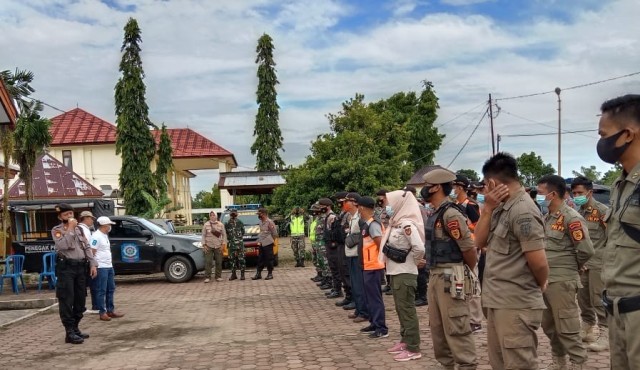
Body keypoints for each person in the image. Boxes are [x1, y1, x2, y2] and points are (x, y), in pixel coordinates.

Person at [474, 153, 549, 370]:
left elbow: (539, 262)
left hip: (516, 304)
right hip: (498, 300)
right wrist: (487, 208)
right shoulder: (499, 207)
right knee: (500, 363)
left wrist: (541, 282)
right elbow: (478, 241)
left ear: (492, 183)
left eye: (485, 185)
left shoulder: (522, 210)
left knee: (519, 365)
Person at [597, 94, 640, 370]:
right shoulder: (620, 185)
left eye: (604, 134)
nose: (601, 142)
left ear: (627, 135)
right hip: (617, 310)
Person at [420, 168, 477, 369]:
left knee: (456, 326)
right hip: (435, 275)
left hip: (451, 276)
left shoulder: (451, 214)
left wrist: (466, 272)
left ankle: (466, 365)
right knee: (438, 328)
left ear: (436, 187)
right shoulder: (435, 213)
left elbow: (468, 249)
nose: (424, 190)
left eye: (427, 186)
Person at [536, 175, 594, 370]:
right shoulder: (547, 217)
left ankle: (579, 363)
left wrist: (573, 265)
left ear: (552, 194)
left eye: (541, 193)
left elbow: (586, 249)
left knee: (567, 328)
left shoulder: (571, 217)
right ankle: (558, 362)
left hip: (563, 281)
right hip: (546, 281)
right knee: (550, 326)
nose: (538, 196)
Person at [380, 190, 425, 362]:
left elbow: (419, 248)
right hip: (396, 272)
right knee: (400, 309)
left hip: (405, 273)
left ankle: (413, 347)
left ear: (399, 204)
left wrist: (416, 261)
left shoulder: (407, 224)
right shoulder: (395, 222)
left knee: (407, 310)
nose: (387, 206)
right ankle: (405, 340)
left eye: (390, 203)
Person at [571, 176, 609, 352]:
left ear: (590, 192)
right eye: (574, 193)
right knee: (583, 298)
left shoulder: (602, 211)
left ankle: (606, 334)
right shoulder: (577, 212)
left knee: (598, 299)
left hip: (598, 263)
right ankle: (587, 329)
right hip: (582, 263)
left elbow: (612, 236)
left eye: (580, 192)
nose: (577, 195)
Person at [51, 203, 98, 345]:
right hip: (66, 269)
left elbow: (87, 247)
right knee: (66, 300)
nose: (69, 216)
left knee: (80, 300)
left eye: (71, 214)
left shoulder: (80, 230)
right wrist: (70, 229)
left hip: (80, 268)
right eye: (66, 215)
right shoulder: (57, 230)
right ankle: (69, 332)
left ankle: (75, 327)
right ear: (60, 217)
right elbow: (63, 246)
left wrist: (92, 263)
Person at [452, 174, 483, 333]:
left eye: (454, 187)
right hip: (458, 248)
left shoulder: (470, 205)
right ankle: (464, 316)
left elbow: (479, 227)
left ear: (460, 187)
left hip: (470, 247)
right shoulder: (455, 205)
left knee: (473, 283)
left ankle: (475, 320)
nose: (452, 190)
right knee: (459, 284)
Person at [357, 196, 388, 338]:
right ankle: (374, 323)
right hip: (367, 265)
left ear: (362, 208)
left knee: (375, 298)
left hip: (374, 266)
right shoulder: (367, 224)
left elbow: (380, 244)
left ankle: (381, 327)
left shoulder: (373, 225)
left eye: (358, 207)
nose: (357, 210)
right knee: (370, 297)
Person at [90, 216, 124, 322]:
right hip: (101, 267)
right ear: (104, 225)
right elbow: (92, 251)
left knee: (111, 289)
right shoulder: (96, 236)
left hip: (108, 266)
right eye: (109, 225)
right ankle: (102, 312)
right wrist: (94, 266)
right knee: (102, 290)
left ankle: (110, 310)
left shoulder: (104, 235)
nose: (110, 227)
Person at [343, 193, 368, 322]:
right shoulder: (352, 217)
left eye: (348, 201)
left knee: (359, 285)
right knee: (354, 284)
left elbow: (364, 234)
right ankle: (359, 310)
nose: (345, 204)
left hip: (358, 255)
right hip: (351, 254)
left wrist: (353, 239)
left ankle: (363, 312)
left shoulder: (360, 217)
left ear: (355, 203)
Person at [321, 196, 342, 298]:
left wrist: (332, 243)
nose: (320, 208)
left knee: (335, 268)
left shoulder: (332, 217)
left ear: (328, 206)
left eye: (322, 206)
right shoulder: (327, 216)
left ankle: (338, 290)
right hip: (329, 245)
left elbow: (334, 232)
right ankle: (335, 288)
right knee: (332, 267)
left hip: (333, 246)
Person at [78, 211, 99, 314]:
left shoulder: (85, 229)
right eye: (91, 218)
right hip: (85, 261)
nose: (92, 221)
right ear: (85, 218)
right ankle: (85, 307)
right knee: (88, 284)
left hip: (85, 260)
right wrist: (92, 262)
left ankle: (85, 307)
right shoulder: (82, 230)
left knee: (87, 284)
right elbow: (87, 247)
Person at [374, 189, 392, 295]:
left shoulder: (390, 208)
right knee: (385, 263)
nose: (379, 199)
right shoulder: (381, 209)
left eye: (381, 197)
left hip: (389, 237)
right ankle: (389, 284)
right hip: (383, 237)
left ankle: (392, 285)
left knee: (389, 263)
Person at [252, 208, 278, 280]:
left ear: (263, 214)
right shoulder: (260, 222)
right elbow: (261, 232)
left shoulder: (270, 222)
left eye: (259, 214)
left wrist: (270, 240)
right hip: (261, 243)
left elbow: (275, 233)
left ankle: (270, 274)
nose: (259, 215)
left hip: (268, 243)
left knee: (269, 259)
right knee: (260, 259)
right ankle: (258, 273)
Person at [202, 211, 227, 283]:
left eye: (214, 215)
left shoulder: (220, 224)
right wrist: (204, 245)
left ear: (216, 216)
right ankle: (207, 277)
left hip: (218, 245)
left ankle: (218, 276)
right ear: (209, 216)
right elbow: (203, 235)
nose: (212, 216)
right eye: (211, 215)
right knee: (208, 262)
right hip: (208, 245)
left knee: (219, 261)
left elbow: (224, 235)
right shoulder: (206, 225)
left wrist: (223, 244)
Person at [225, 209, 246, 281]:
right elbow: (226, 233)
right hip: (231, 244)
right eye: (232, 213)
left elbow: (243, 232)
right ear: (230, 214)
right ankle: (233, 274)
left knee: (241, 259)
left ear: (237, 214)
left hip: (239, 244)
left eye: (234, 213)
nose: (233, 215)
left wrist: (238, 239)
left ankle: (242, 275)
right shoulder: (227, 224)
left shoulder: (240, 222)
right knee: (231, 260)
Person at [308, 203, 323, 282]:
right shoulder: (315, 220)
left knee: (321, 260)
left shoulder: (321, 219)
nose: (313, 212)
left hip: (320, 243)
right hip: (314, 242)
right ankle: (319, 274)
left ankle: (322, 275)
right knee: (315, 259)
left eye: (314, 210)